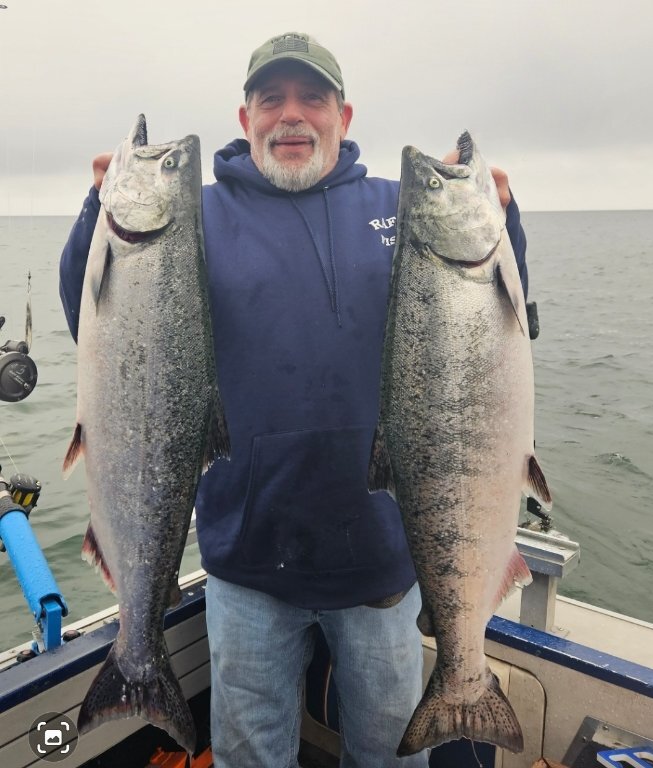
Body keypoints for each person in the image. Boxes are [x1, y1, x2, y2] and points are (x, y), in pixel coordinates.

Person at [59, 32, 528, 768]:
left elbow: (491, 335)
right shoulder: (193, 216)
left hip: (382, 561)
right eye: (271, 99)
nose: (291, 115)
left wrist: (504, 223)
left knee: (390, 756)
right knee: (250, 757)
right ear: (245, 119)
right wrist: (97, 218)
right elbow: (98, 326)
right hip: (247, 564)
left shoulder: (406, 208)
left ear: (345, 115)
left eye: (312, 98)